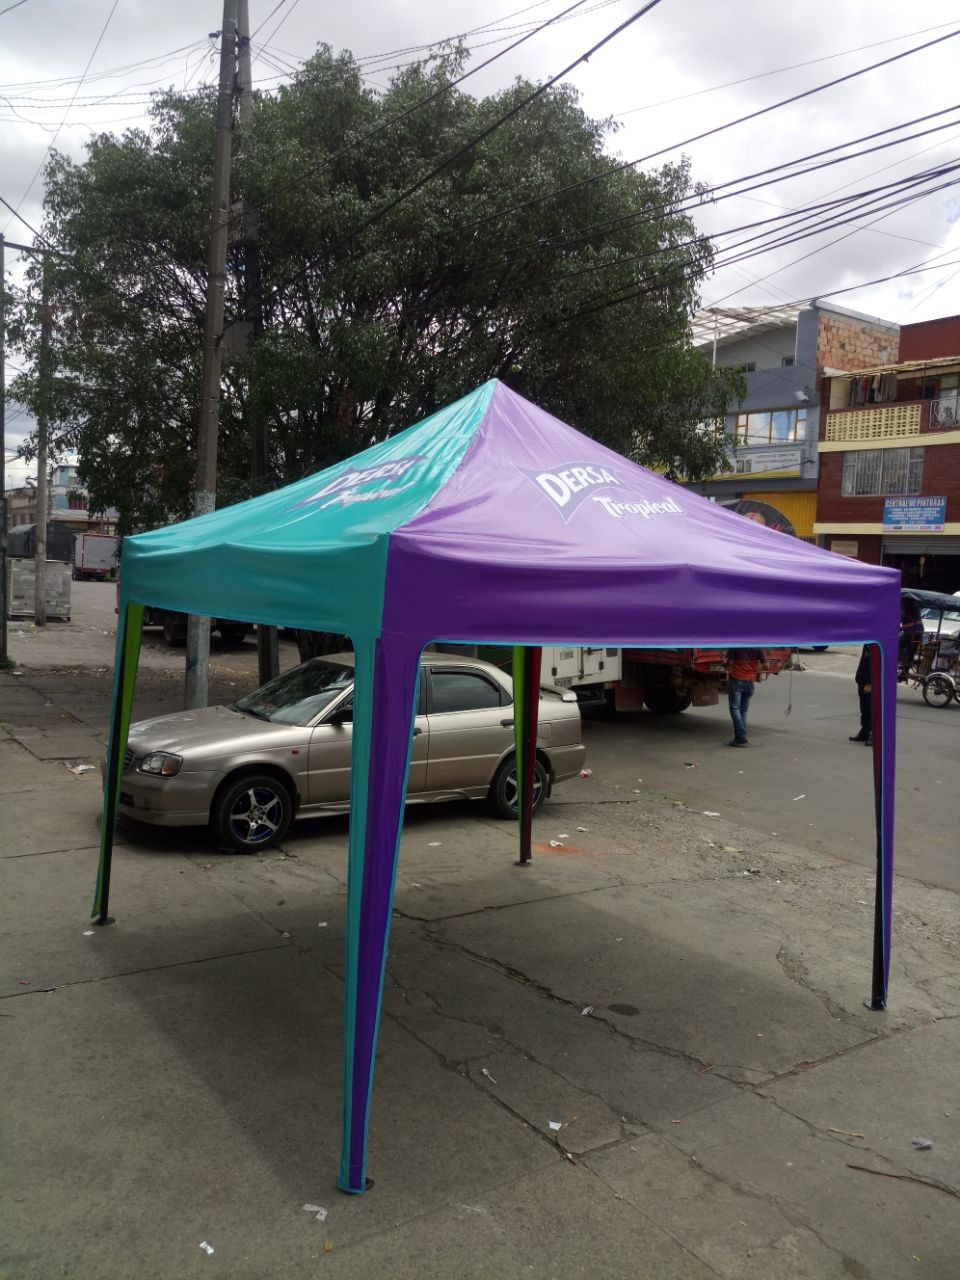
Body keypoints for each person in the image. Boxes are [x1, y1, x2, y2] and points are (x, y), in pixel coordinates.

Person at [726, 648, 765, 746]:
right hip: (750, 683)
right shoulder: (758, 649)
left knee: (735, 709)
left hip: (737, 681)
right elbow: (766, 665)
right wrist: (753, 669)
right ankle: (739, 738)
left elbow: (729, 663)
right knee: (743, 711)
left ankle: (741, 737)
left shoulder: (735, 646)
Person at [850, 645, 872, 744]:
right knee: (864, 709)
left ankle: (874, 734)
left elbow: (877, 664)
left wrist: (870, 683)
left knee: (870, 709)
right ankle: (865, 732)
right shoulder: (868, 643)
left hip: (869, 683)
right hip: (863, 680)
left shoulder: (878, 643)